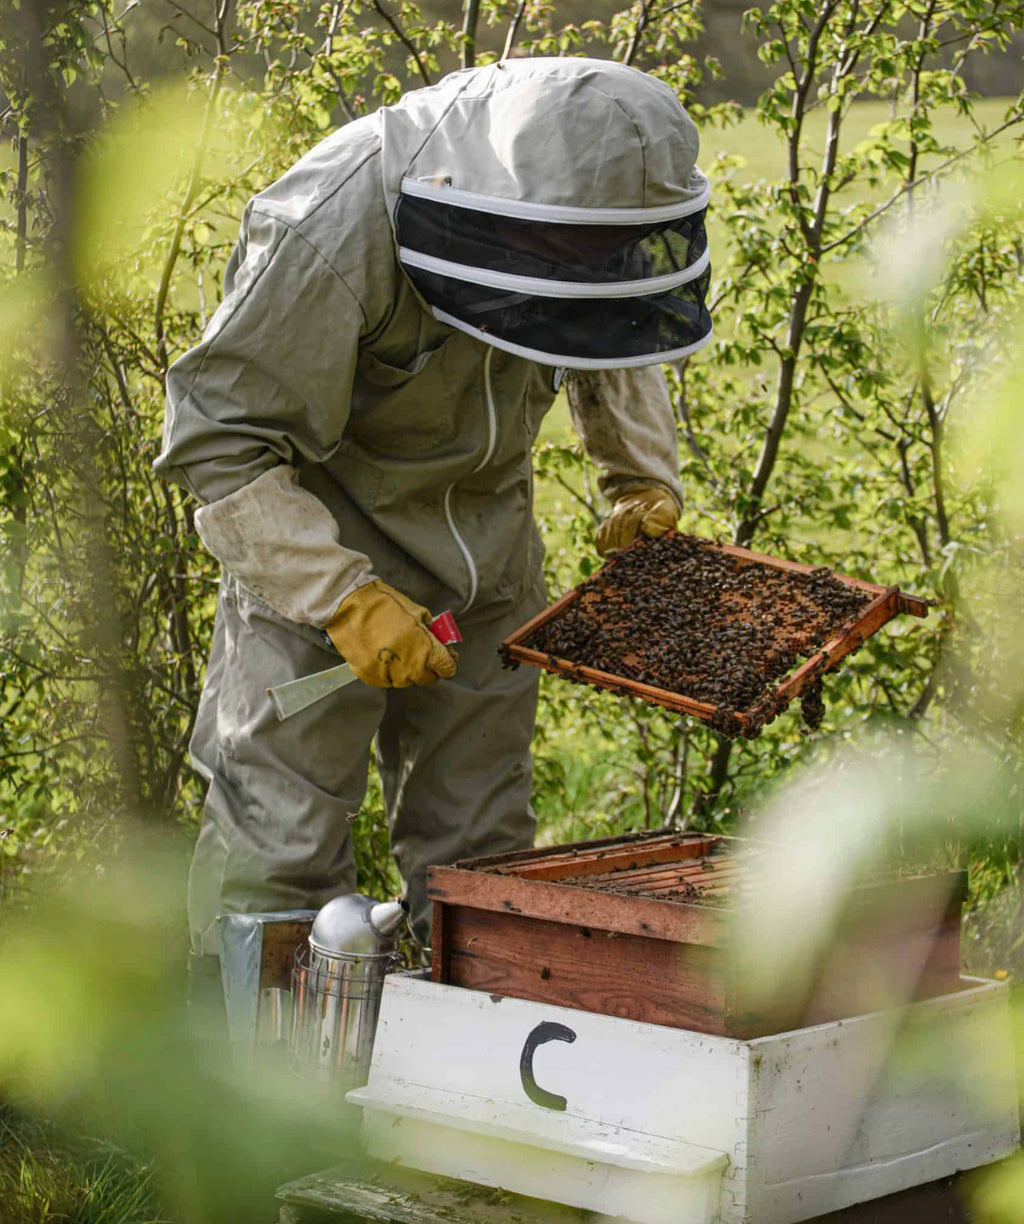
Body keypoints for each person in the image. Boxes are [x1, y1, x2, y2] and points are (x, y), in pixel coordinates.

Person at [156, 56, 712, 966]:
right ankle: (245, 1098)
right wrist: (338, 595)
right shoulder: (330, 228)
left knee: (481, 859)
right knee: (280, 855)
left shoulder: (577, 234)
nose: (591, 265)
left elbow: (614, 319)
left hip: (489, 561)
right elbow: (219, 441)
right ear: (508, 205)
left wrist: (640, 479)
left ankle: (455, 1095)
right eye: (576, 250)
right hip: (314, 568)